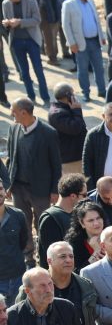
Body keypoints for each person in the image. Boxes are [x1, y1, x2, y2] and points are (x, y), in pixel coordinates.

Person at [5, 98, 62, 235]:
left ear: (23, 112)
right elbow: (10, 159)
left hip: (41, 190)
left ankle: (43, 251)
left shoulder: (49, 133)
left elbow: (56, 163)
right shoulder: (13, 128)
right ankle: (28, 254)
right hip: (18, 187)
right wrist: (8, 184)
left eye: (14, 111)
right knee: (22, 223)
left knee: (42, 222)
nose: (11, 113)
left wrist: (54, 190)